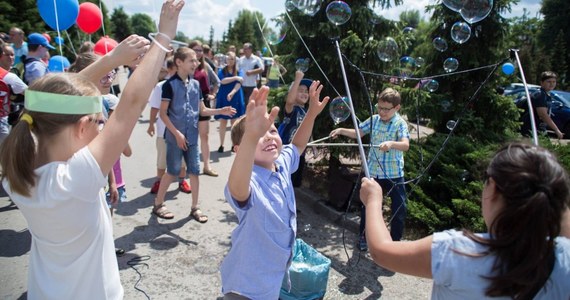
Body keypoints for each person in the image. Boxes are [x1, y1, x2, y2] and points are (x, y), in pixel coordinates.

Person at [0, 0, 183, 297]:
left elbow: (43, 102)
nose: (103, 127)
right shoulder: (74, 179)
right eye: (100, 122)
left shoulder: (16, 168)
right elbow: (131, 103)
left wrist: (113, 59)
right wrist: (162, 39)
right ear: (82, 125)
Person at [360, 142, 570, 299]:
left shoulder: (458, 252)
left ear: (493, 187)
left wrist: (373, 200)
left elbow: (382, 251)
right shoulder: (565, 256)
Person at [221, 83, 329, 299]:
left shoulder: (282, 163)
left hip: (273, 278)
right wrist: (251, 135)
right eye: (259, 134)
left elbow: (297, 146)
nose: (269, 136)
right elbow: (238, 190)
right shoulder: (249, 180)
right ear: (239, 149)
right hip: (246, 285)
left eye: (271, 131)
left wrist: (311, 114)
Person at [152, 46, 235, 220]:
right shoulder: (169, 85)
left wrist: (221, 110)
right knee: (173, 171)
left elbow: (202, 111)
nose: (196, 63)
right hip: (175, 138)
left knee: (195, 171)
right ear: (179, 62)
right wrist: (177, 134)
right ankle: (158, 204)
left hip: (192, 136)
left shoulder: (196, 84)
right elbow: (163, 114)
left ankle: (195, 207)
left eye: (196, 61)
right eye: (192, 60)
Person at [330, 87, 410, 251]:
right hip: (373, 172)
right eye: (379, 107)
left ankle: (395, 245)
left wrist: (391, 144)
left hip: (394, 174)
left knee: (399, 208)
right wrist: (341, 130)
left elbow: (405, 145)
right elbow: (358, 133)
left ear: (397, 108)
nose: (382, 112)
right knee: (368, 207)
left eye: (386, 109)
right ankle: (364, 238)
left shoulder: (400, 123)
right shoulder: (374, 119)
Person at [147, 57, 192, 194]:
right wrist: (151, 124)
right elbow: (154, 107)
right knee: (162, 159)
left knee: (183, 159)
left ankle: (182, 181)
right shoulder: (161, 86)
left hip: (183, 129)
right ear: (171, 69)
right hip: (164, 131)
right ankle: (159, 181)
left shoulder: (188, 85)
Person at [188, 40, 220, 177]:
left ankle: (206, 166)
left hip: (203, 105)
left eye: (200, 50)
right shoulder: (185, 66)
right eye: (196, 50)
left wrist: (212, 94)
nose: (199, 53)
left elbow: (216, 81)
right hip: (187, 105)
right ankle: (187, 167)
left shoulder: (205, 65)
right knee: (188, 137)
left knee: (204, 136)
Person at [278, 71, 312, 188]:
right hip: (286, 153)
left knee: (293, 184)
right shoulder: (292, 110)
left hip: (299, 155)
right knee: (283, 181)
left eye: (306, 91)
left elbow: (307, 130)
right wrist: (298, 79)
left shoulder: (306, 112)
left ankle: (289, 204)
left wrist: (313, 146)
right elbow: (289, 101)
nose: (304, 94)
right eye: (300, 90)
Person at [215, 51, 245, 153]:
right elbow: (222, 80)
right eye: (228, 58)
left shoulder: (239, 70)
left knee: (234, 122)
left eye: (232, 59)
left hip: (235, 97)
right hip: (223, 97)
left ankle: (234, 145)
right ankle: (221, 145)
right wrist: (235, 77)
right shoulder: (222, 70)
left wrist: (232, 93)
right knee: (223, 121)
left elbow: (239, 83)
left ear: (235, 60)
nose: (230, 60)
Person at [520, 71, 564, 139]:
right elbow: (543, 115)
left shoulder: (546, 94)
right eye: (549, 81)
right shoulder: (540, 94)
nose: (552, 84)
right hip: (531, 131)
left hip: (539, 130)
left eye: (554, 82)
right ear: (542, 82)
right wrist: (556, 130)